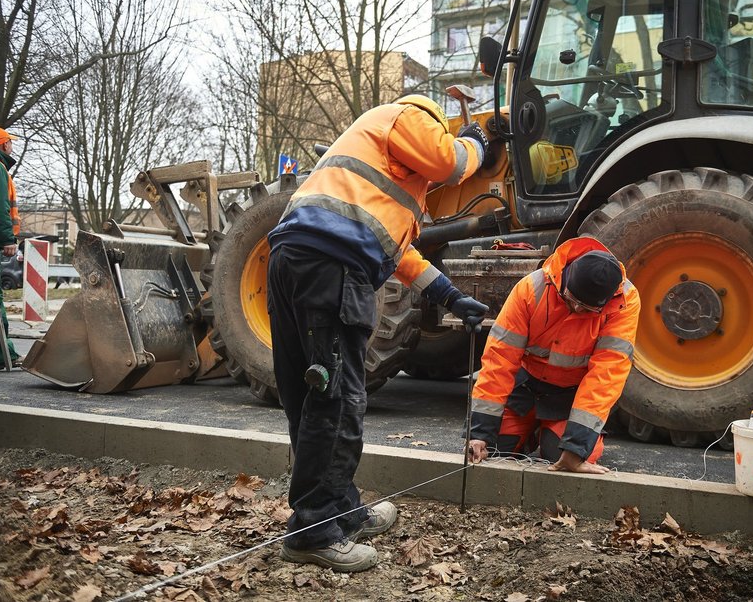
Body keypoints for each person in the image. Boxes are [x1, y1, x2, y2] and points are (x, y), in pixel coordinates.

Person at [266, 95, 490, 572]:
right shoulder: (410, 117)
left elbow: (400, 254)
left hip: (293, 260)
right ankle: (314, 529)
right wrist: (476, 143)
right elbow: (453, 162)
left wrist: (450, 296)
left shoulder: (374, 175)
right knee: (337, 400)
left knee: (310, 397)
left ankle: (339, 509)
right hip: (331, 267)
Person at [466, 237, 640, 474]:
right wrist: (479, 433)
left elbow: (606, 376)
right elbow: (499, 359)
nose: (577, 309)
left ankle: (548, 433)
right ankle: (529, 430)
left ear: (606, 302)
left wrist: (576, 448)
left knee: (561, 457)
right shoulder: (532, 289)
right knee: (491, 449)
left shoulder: (624, 303)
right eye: (572, 300)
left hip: (569, 396)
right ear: (565, 277)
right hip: (526, 386)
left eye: (587, 309)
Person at [0, 127, 21, 369]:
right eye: (10, 143)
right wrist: (6, 240)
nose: (12, 147)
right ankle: (2, 356)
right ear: (4, 146)